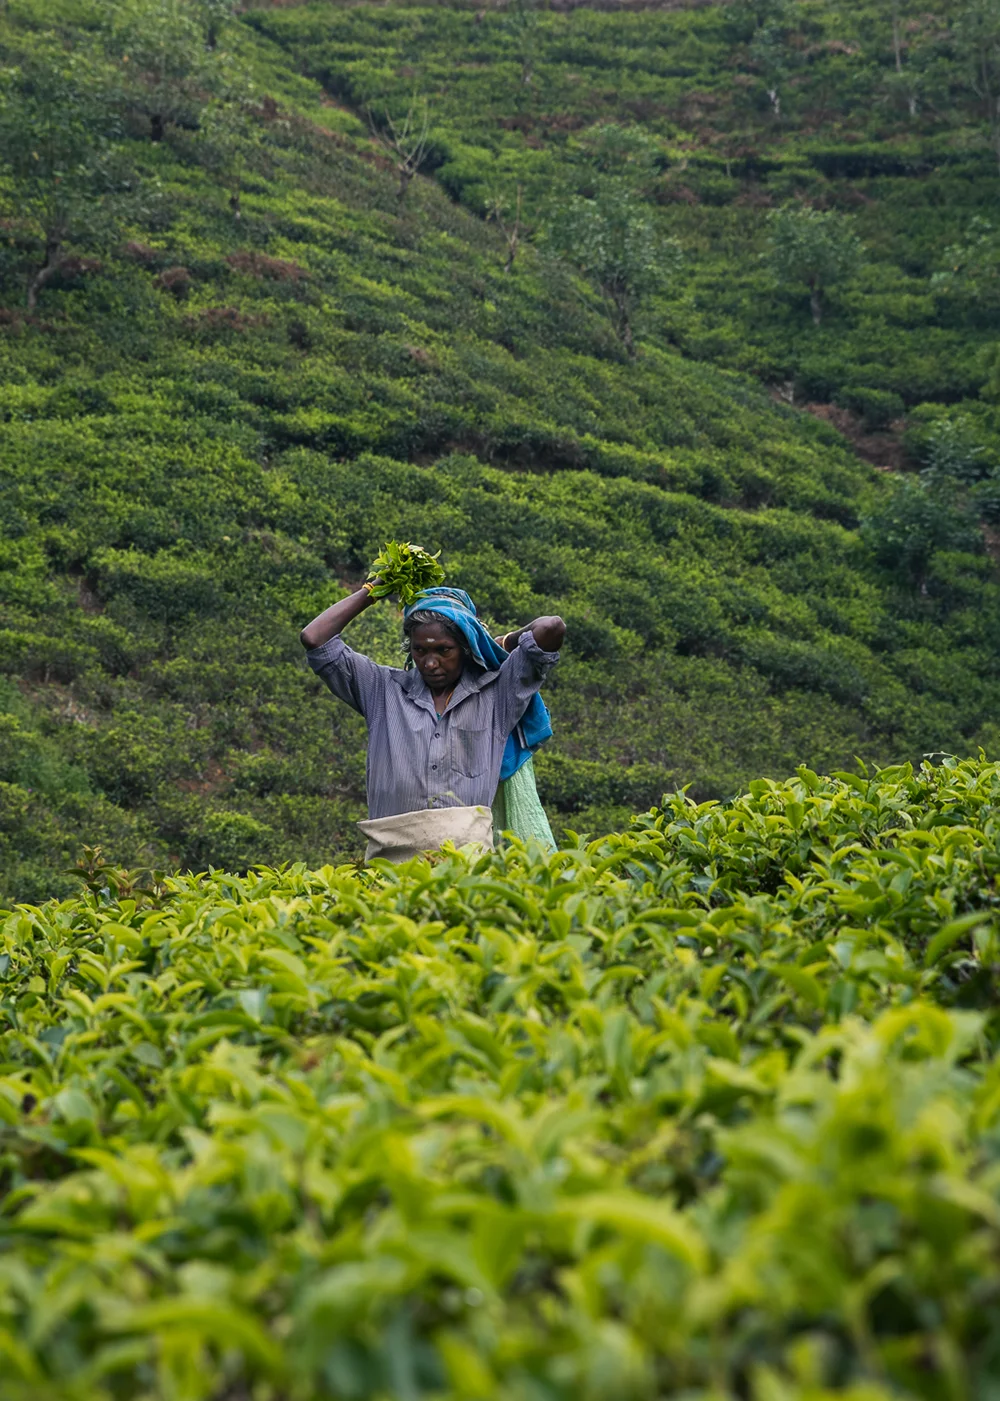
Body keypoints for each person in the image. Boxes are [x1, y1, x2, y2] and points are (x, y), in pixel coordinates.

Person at [300, 582, 566, 861]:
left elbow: (551, 628)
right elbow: (315, 639)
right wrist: (375, 588)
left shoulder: (497, 696)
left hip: (468, 865)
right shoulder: (382, 689)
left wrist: (498, 643)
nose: (430, 663)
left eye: (443, 650)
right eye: (420, 651)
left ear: (465, 648)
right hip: (391, 864)